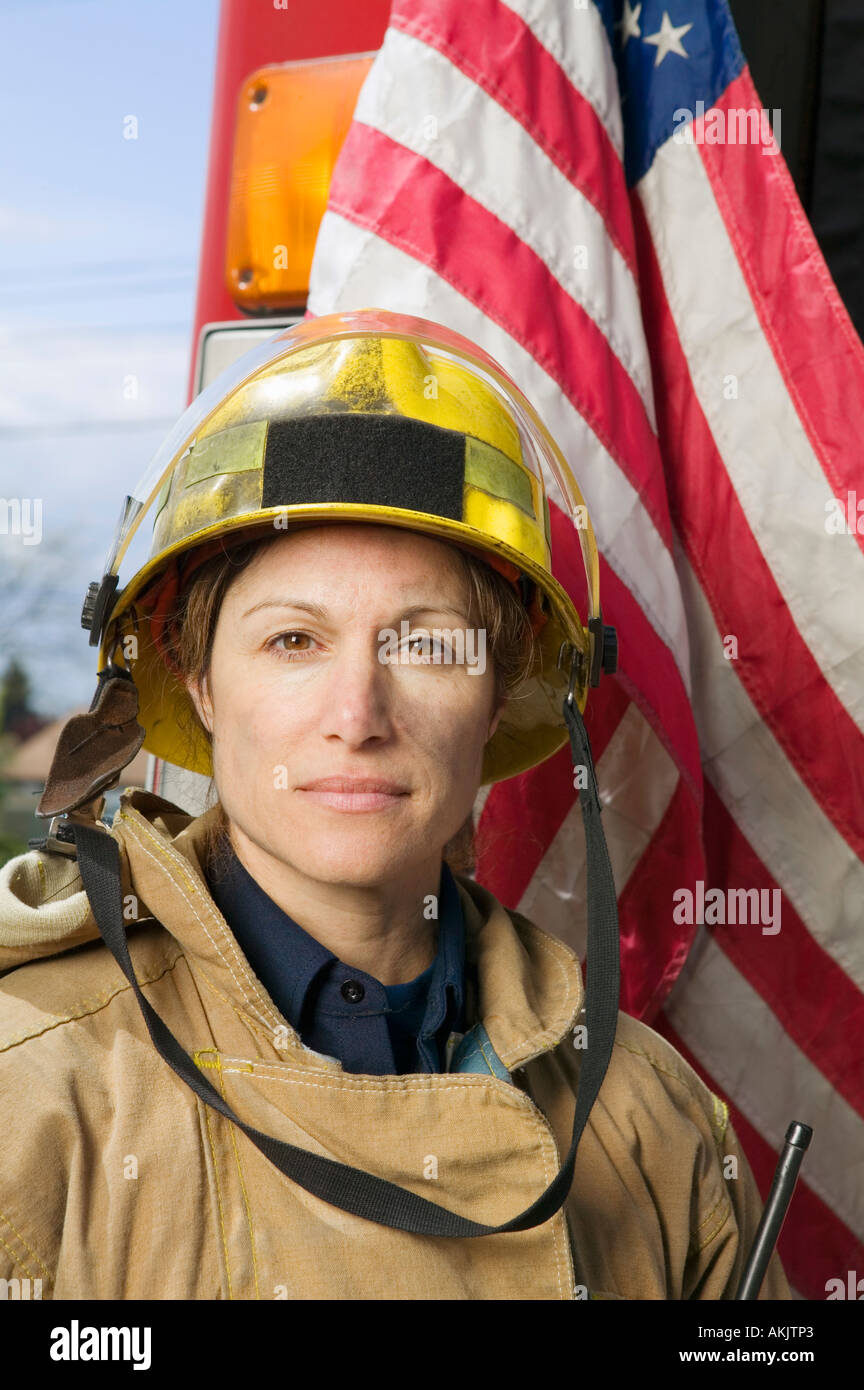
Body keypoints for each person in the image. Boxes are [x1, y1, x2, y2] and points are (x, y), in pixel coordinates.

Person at [0, 308, 789, 1300]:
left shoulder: (654, 1119)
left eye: (427, 643)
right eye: (295, 641)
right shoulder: (30, 1094)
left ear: (501, 690)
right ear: (197, 681)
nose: (357, 714)